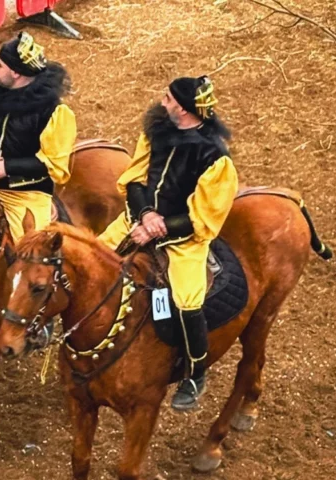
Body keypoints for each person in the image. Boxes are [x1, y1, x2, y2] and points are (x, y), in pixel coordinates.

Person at [97, 75, 239, 410]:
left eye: (168, 99)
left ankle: (195, 370)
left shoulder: (216, 159)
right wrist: (145, 215)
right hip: (137, 221)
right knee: (88, 259)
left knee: (187, 298)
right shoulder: (155, 131)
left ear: (186, 109)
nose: (162, 103)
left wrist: (157, 230)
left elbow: (203, 219)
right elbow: (134, 178)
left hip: (183, 238)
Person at [0, 31, 77, 242]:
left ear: (16, 73)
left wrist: (6, 167)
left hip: (24, 195)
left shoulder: (55, 112)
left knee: (28, 252)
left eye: (0, 65)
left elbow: (51, 164)